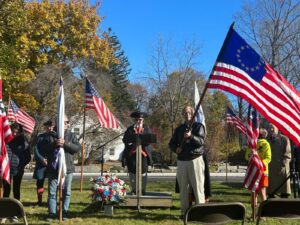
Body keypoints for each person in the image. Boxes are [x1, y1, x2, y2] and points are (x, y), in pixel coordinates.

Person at [169, 106, 206, 215]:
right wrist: (176, 149)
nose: (187, 114)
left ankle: (201, 213)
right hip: (182, 161)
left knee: (198, 188)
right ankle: (184, 213)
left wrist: (191, 136)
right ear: (183, 115)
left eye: (189, 112)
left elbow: (201, 141)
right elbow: (171, 144)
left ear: (193, 113)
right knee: (183, 190)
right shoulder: (179, 129)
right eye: (185, 112)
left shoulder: (199, 126)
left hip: (195, 160)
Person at [46, 115, 80, 221]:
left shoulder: (71, 135)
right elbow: (44, 149)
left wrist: (65, 143)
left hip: (67, 168)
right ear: (57, 123)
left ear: (68, 123)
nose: (64, 124)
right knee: (52, 192)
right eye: (61, 122)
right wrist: (54, 143)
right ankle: (52, 213)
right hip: (53, 168)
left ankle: (64, 212)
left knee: (67, 192)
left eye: (66, 122)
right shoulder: (50, 135)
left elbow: (76, 148)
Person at [3, 123, 31, 223]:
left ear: (20, 131)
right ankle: (4, 212)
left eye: (17, 132)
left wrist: (20, 165)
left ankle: (15, 213)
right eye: (13, 131)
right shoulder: (6, 139)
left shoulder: (24, 142)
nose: (15, 133)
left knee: (16, 190)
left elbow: (28, 157)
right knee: (6, 190)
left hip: (18, 170)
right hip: (6, 170)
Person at [122, 111, 153, 195]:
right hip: (132, 154)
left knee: (143, 172)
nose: (139, 121)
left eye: (140, 119)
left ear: (143, 120)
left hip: (143, 155)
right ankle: (134, 190)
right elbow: (125, 139)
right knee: (132, 172)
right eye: (137, 120)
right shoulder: (130, 129)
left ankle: (142, 190)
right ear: (134, 120)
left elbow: (150, 139)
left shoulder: (146, 128)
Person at [245, 128, 271, 216]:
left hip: (263, 172)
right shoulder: (251, 145)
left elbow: (268, 158)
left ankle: (264, 214)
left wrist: (258, 163)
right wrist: (251, 154)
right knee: (253, 193)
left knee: (262, 193)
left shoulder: (266, 144)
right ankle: (254, 214)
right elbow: (247, 157)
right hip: (253, 172)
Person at [33, 119, 55, 206]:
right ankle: (39, 201)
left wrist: (49, 160)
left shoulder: (56, 137)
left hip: (52, 163)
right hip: (41, 163)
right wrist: (42, 159)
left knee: (52, 183)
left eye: (51, 126)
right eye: (48, 126)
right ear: (45, 127)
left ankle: (51, 201)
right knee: (39, 182)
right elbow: (36, 149)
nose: (49, 128)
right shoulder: (40, 137)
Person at [267, 123, 291, 198]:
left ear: (277, 129)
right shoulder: (266, 140)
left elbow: (288, 154)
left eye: (273, 128)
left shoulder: (284, 139)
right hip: (270, 168)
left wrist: (283, 164)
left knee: (284, 191)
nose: (271, 129)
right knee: (271, 192)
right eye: (270, 128)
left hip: (282, 169)